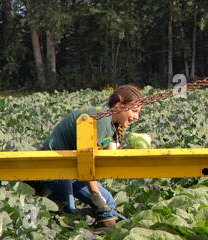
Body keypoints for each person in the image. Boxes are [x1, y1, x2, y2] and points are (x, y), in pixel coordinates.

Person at [32, 84, 143, 229]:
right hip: (53, 168)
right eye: (134, 111)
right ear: (119, 105)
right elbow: (87, 162)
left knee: (108, 201)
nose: (137, 117)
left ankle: (104, 238)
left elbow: (110, 155)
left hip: (71, 170)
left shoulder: (113, 124)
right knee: (68, 210)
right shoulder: (102, 119)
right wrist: (96, 195)